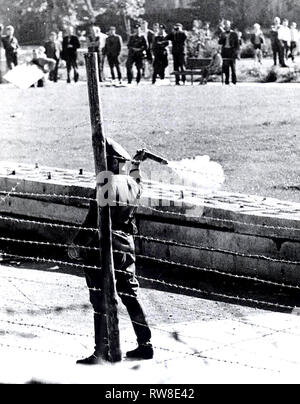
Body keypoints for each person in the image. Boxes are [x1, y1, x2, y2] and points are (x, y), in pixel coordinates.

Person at [70, 139, 153, 364]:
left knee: (100, 299)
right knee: (129, 293)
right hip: (126, 244)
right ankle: (145, 344)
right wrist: (136, 163)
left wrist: (77, 244)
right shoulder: (132, 184)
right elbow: (138, 180)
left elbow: (92, 220)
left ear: (109, 160)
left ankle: (102, 350)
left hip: (102, 247)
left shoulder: (104, 183)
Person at [218, 20, 240, 85]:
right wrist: (222, 37)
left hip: (232, 52)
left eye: (228, 25)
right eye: (226, 25)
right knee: (226, 67)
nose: (227, 26)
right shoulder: (223, 33)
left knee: (233, 67)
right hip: (225, 51)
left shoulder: (234, 34)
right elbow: (220, 42)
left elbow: (237, 44)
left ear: (230, 25)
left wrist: (237, 53)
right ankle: (226, 81)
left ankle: (234, 81)